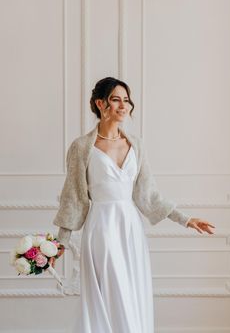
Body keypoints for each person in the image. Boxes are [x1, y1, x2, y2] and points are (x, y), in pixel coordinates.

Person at [51, 77, 215, 332]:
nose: (123, 105)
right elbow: (73, 198)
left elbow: (148, 196)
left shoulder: (135, 144)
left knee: (131, 294)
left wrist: (185, 219)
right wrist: (58, 244)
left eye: (126, 100)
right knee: (112, 296)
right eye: (115, 99)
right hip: (101, 229)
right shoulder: (82, 147)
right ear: (100, 103)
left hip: (130, 229)